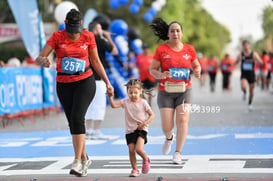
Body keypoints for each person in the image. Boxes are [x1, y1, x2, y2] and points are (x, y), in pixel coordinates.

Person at [35, 9, 114, 177]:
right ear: (65, 25)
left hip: (85, 81)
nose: (73, 35)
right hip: (64, 84)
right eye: (70, 31)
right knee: (73, 122)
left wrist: (107, 82)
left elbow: (96, 61)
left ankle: (77, 161)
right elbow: (39, 58)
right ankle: (85, 158)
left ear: (81, 26)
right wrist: (43, 60)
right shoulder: (57, 37)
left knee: (78, 118)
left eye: (76, 31)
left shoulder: (88, 36)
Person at [149, 18, 201, 164]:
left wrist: (197, 71)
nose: (175, 33)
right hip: (165, 91)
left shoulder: (189, 49)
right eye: (172, 31)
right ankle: (169, 137)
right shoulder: (161, 50)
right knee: (167, 126)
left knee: (183, 120)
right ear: (168, 33)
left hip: (184, 90)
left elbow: (196, 65)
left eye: (178, 30)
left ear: (182, 33)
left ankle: (178, 152)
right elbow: (152, 69)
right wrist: (161, 75)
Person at [108, 79, 154, 177]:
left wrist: (144, 123)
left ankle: (146, 159)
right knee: (131, 150)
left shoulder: (144, 103)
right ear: (127, 92)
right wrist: (110, 97)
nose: (133, 95)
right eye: (130, 92)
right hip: (130, 130)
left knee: (138, 149)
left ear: (140, 91)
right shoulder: (125, 102)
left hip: (142, 129)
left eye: (135, 92)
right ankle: (135, 169)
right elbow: (113, 106)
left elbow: (151, 115)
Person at [85, 21, 118, 140]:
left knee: (88, 104)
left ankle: (88, 130)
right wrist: (108, 38)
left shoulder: (85, 40)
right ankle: (96, 130)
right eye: (99, 28)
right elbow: (114, 51)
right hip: (98, 77)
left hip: (86, 76)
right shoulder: (99, 40)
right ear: (95, 30)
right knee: (99, 104)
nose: (101, 30)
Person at [234, 40, 263, 111]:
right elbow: (236, 61)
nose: (246, 46)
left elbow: (260, 61)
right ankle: (244, 92)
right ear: (243, 46)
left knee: (251, 91)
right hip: (244, 74)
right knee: (243, 86)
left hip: (251, 74)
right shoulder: (241, 54)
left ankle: (250, 104)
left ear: (249, 45)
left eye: (247, 45)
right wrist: (234, 64)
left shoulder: (254, 54)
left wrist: (260, 62)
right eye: (244, 45)